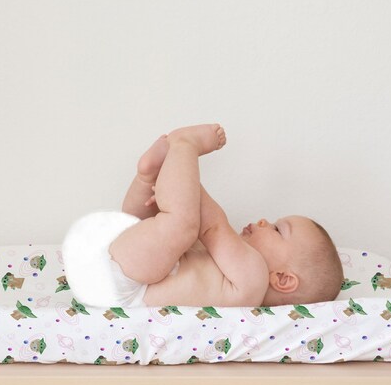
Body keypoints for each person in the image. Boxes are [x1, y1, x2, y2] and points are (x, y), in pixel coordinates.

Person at [61, 124, 343, 308]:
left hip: (127, 284)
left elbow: (213, 227)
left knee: (179, 226)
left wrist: (182, 166)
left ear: (282, 279)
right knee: (163, 227)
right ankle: (147, 176)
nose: (263, 222)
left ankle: (184, 144)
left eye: (277, 230)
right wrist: (175, 183)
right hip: (129, 279)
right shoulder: (229, 272)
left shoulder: (254, 278)